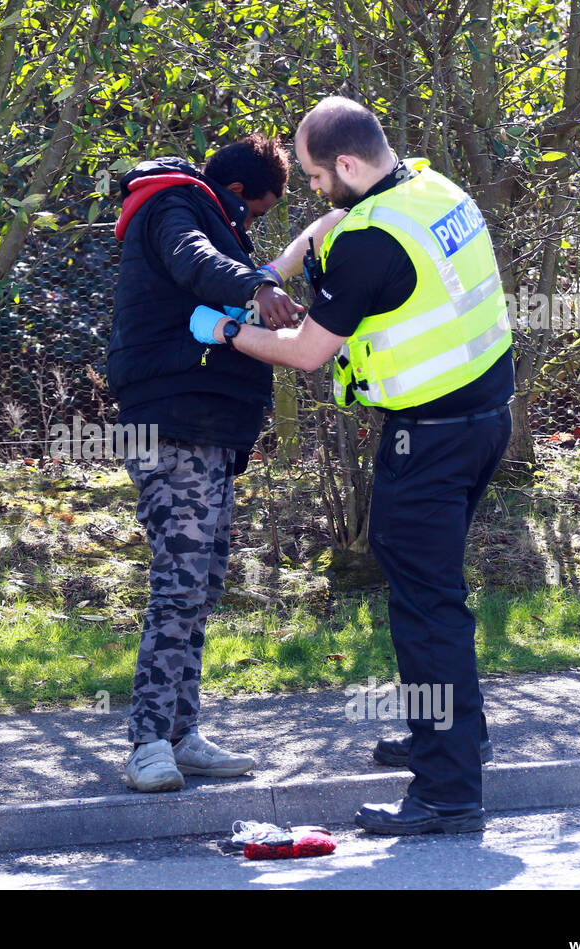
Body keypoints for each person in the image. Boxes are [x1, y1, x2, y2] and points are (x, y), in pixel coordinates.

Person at [189, 96, 514, 834]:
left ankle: (446, 792)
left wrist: (226, 330)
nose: (309, 191)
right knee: (435, 596)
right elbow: (332, 220)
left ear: (344, 164)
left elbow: (308, 353)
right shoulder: (430, 189)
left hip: (426, 440)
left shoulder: (371, 242)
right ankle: (453, 735)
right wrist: (281, 264)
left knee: (427, 610)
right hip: (483, 421)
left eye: (311, 176)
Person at [107, 135, 298, 792]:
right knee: (179, 585)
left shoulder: (208, 216)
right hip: (172, 425)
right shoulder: (175, 206)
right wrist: (258, 282)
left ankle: (183, 733)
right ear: (239, 194)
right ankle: (147, 743)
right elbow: (195, 263)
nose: (253, 227)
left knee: (201, 587)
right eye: (259, 212)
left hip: (211, 428)